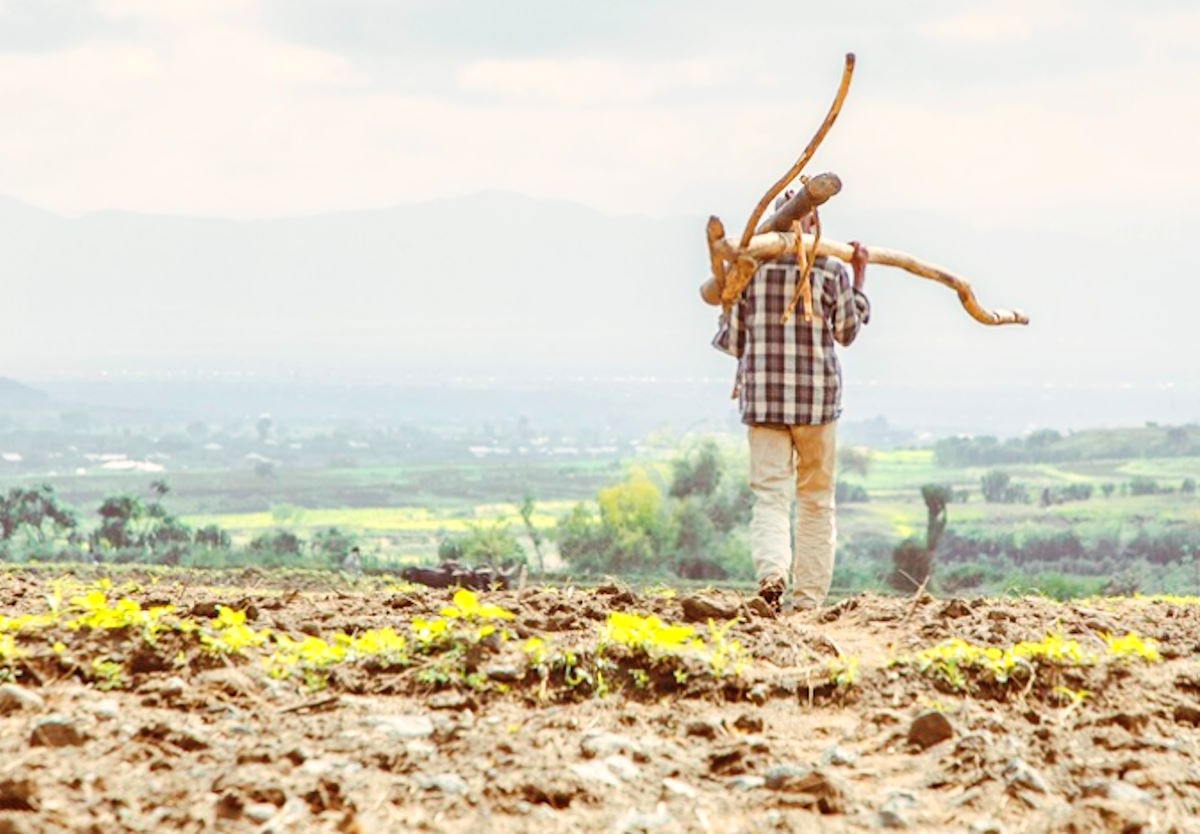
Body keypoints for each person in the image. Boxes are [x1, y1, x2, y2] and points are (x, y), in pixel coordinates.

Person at [711, 198, 870, 613]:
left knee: (770, 497)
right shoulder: (832, 270)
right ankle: (808, 602)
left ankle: (771, 577)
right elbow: (847, 332)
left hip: (763, 404)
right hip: (817, 405)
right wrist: (860, 280)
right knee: (816, 500)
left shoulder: (749, 271)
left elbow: (733, 342)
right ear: (815, 224)